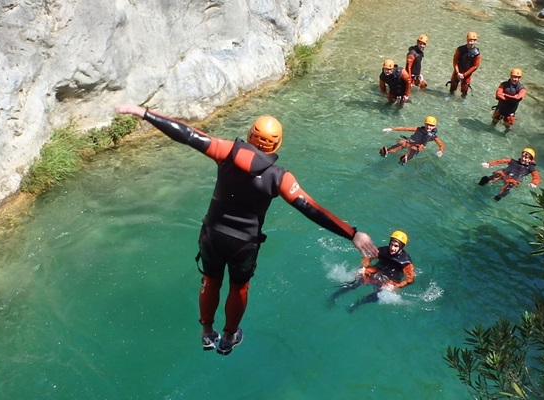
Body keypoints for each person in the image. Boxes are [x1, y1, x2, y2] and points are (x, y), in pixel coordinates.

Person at [115, 105, 378, 355]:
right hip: (243, 243)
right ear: (277, 144)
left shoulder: (226, 151)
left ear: (251, 134)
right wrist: (352, 233)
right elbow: (312, 209)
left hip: (212, 235)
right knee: (239, 288)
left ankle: (207, 331)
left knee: (210, 280)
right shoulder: (280, 177)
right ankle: (228, 338)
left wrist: (145, 113)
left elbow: (188, 134)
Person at [328, 230, 415, 313]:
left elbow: (410, 279)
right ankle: (334, 296)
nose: (392, 248)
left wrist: (396, 286)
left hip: (390, 280)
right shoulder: (382, 250)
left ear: (402, 247)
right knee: (356, 281)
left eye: (396, 246)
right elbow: (368, 257)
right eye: (391, 244)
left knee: (379, 294)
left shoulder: (406, 262)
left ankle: (358, 304)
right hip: (377, 271)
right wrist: (363, 267)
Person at [378, 116, 445, 165]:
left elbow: (441, 145)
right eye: (427, 124)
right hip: (410, 141)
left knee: (414, 149)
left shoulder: (433, 136)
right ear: (424, 124)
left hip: (418, 146)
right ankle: (387, 151)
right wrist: (392, 129)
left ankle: (406, 158)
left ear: (434, 126)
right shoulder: (418, 129)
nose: (429, 127)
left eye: (431, 125)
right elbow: (405, 129)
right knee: (402, 142)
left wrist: (440, 151)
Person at [449, 32, 481, 98]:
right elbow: (455, 61)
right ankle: (449, 98)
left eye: (473, 40)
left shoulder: (476, 53)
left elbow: (475, 66)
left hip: (467, 74)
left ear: (475, 41)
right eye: (470, 40)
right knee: (452, 88)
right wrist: (457, 72)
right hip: (457, 72)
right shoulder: (460, 49)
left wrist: (464, 75)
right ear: (467, 40)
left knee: (464, 91)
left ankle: (462, 101)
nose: (471, 42)